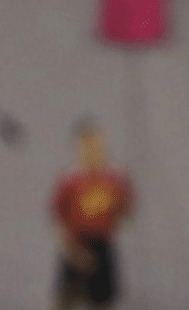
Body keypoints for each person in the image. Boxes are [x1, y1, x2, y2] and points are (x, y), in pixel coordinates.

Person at [50, 117, 133, 310]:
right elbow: (57, 219)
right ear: (79, 147)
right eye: (88, 145)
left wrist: (113, 222)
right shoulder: (70, 180)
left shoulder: (115, 179)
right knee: (66, 301)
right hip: (76, 247)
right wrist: (72, 251)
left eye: (98, 144)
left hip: (102, 247)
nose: (94, 149)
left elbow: (125, 210)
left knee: (104, 301)